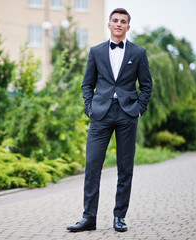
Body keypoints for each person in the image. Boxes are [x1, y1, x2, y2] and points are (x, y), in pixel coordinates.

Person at [67, 8, 152, 232]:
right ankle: (88, 218)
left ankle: (119, 217)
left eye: (123, 21)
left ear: (128, 27)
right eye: (115, 20)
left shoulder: (139, 53)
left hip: (127, 114)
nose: (118, 24)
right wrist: (89, 108)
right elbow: (87, 84)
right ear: (109, 24)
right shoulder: (96, 52)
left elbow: (146, 86)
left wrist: (139, 110)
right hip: (100, 114)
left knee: (125, 168)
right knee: (92, 165)